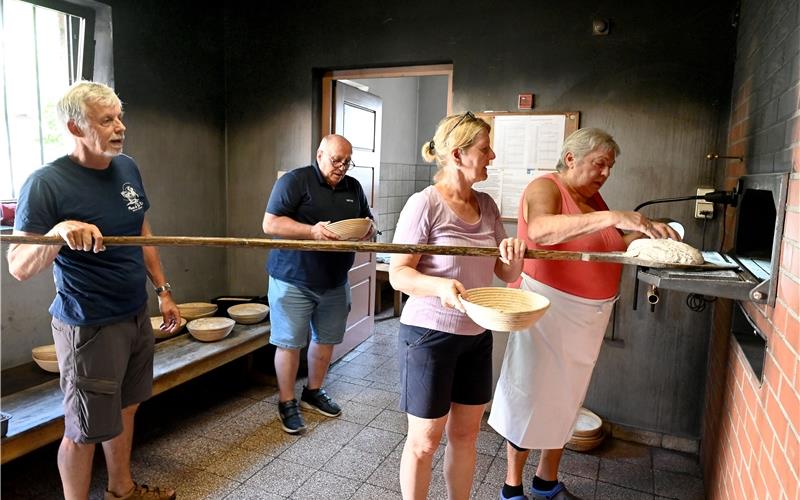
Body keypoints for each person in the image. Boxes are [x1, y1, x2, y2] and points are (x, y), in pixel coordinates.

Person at [7, 81, 181, 500]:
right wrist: (57, 233)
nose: (120, 127)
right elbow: (17, 266)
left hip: (135, 314)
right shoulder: (45, 184)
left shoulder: (127, 168)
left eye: (120, 117)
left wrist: (163, 291)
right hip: (88, 327)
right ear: (75, 126)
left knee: (126, 408)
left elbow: (142, 233)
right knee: (83, 429)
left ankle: (122, 490)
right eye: (107, 120)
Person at [488, 128, 679, 500]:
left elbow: (604, 245)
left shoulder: (593, 199)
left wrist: (645, 234)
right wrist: (615, 217)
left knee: (566, 399)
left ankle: (546, 482)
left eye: (610, 166)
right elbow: (541, 232)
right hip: (546, 309)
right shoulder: (547, 187)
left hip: (587, 316)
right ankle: (512, 489)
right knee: (529, 395)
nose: (606, 172)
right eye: (600, 163)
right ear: (571, 158)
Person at [389, 112, 527, 500]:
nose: (492, 156)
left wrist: (515, 257)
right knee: (425, 441)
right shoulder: (424, 204)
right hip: (429, 335)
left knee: (466, 435)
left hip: (476, 335)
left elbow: (503, 269)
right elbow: (399, 274)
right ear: (457, 154)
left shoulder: (487, 205)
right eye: (485, 149)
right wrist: (439, 286)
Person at [262, 134, 374, 435]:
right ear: (320, 154)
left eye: (347, 161)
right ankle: (286, 402)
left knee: (326, 340)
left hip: (335, 280)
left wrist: (368, 230)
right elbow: (270, 224)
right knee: (288, 343)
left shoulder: (353, 187)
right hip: (292, 278)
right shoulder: (296, 181)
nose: (341, 167)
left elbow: (367, 220)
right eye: (336, 160)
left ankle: (313, 391)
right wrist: (312, 231)